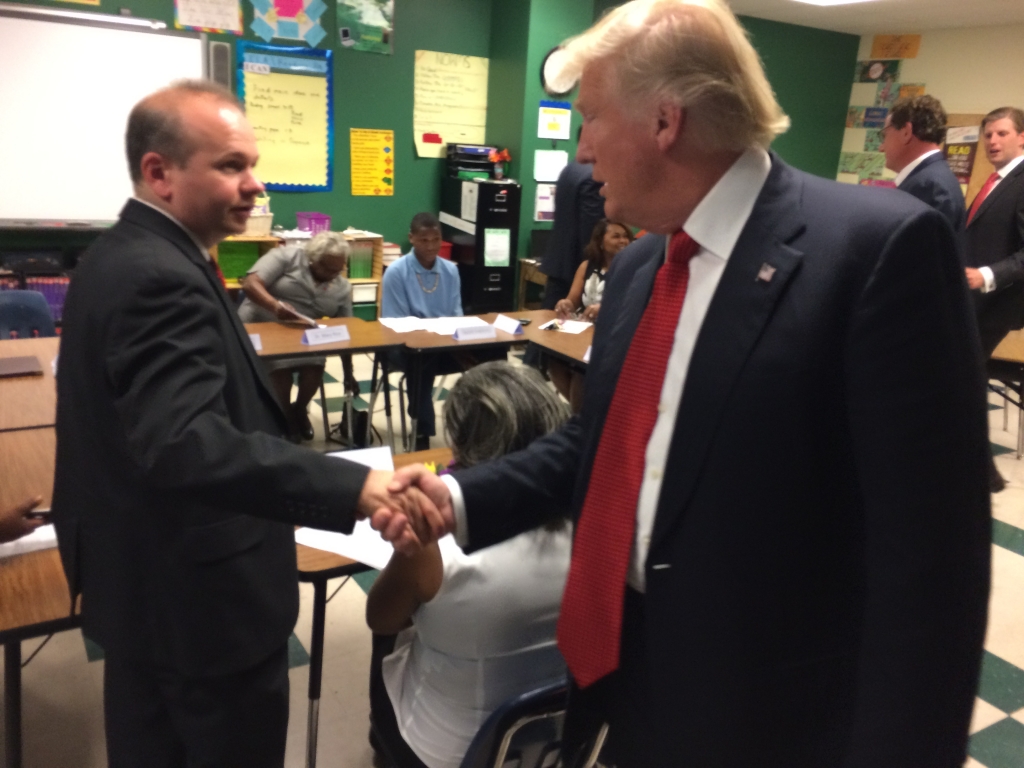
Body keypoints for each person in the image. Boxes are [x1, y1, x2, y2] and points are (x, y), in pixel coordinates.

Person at [384, 2, 992, 766]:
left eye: (592, 118)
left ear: (665, 122)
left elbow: (934, 560)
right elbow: (599, 442)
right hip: (620, 666)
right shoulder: (640, 268)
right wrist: (461, 499)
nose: (583, 149)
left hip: (771, 707)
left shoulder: (875, 251)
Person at [51, 80, 439, 768]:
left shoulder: (121, 256)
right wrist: (357, 487)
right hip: (201, 609)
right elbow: (185, 443)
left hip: (144, 588)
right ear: (159, 173)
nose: (255, 186)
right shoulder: (157, 276)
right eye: (231, 165)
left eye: (252, 165)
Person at [366, 361, 572, 768]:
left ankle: (384, 744)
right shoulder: (595, 517)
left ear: (462, 444)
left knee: (387, 633)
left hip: (450, 750)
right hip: (558, 735)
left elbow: (380, 619)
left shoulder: (435, 542)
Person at [382, 212, 494, 451]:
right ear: (411, 238)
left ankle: (487, 423)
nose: (431, 246)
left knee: (491, 354)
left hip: (442, 343)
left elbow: (455, 314)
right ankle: (421, 431)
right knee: (422, 360)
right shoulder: (396, 272)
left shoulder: (451, 270)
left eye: (436, 239)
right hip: (405, 346)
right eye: (424, 240)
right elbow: (398, 324)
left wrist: (458, 344)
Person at [238, 231, 361, 441]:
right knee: (280, 369)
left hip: (302, 335)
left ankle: (299, 409)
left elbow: (344, 331)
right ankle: (285, 417)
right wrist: (275, 306)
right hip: (262, 325)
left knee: (315, 366)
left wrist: (349, 373)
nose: (333, 273)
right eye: (327, 267)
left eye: (338, 269)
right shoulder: (285, 257)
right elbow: (250, 284)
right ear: (312, 258)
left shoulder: (341, 288)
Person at [548, 219, 633, 411]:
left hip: (612, 333)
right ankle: (582, 414)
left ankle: (580, 418)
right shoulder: (586, 266)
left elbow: (632, 304)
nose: (623, 241)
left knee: (581, 372)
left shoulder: (631, 268)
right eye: (616, 236)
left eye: (626, 236)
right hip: (582, 329)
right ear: (600, 241)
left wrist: (605, 307)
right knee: (555, 363)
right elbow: (572, 300)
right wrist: (565, 304)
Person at [881, 95, 966, 232]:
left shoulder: (931, 186)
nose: (881, 147)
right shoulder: (930, 179)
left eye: (884, 135)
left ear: (906, 132)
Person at [539, 159, 606, 309]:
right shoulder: (594, 177)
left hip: (558, 262)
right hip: (577, 266)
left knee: (549, 322)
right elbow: (591, 231)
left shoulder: (571, 169)